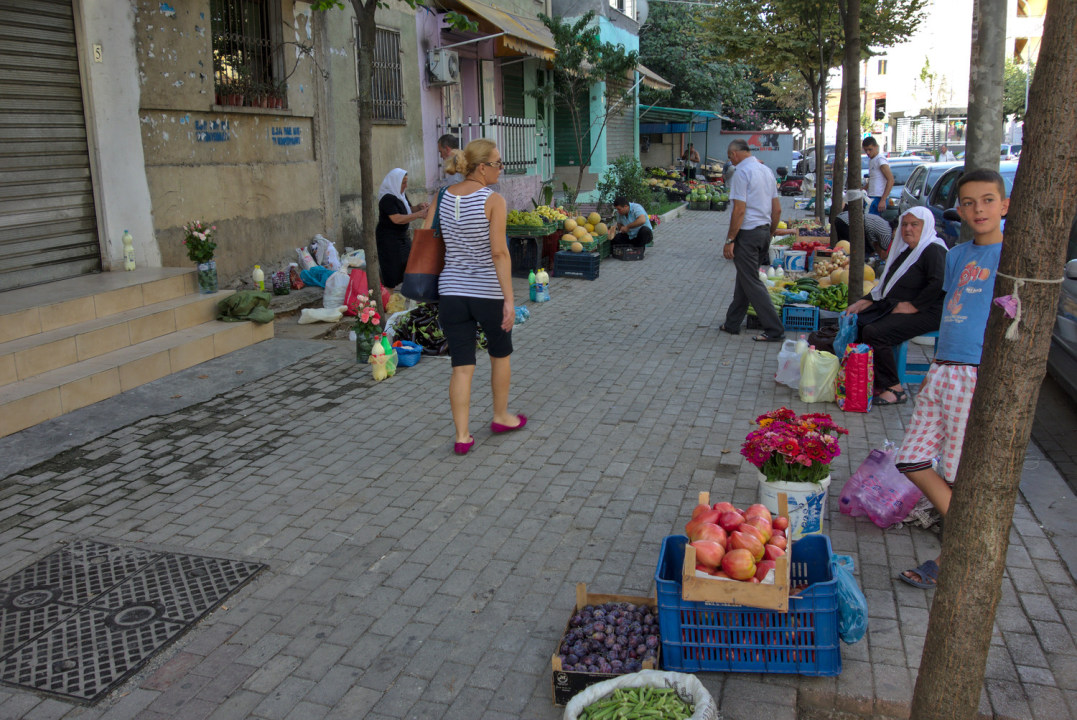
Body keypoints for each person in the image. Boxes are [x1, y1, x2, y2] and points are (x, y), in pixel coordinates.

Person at [895, 169, 1009, 588]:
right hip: (944, 370)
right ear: (959, 209)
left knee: (959, 471)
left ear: (1004, 205)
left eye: (987, 200)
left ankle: (951, 558)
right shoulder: (958, 254)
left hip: (975, 373)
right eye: (968, 202)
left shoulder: (1009, 256)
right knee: (911, 458)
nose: (978, 209)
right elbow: (950, 315)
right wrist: (934, 368)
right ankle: (968, 541)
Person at [420, 139, 524, 456]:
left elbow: (426, 233)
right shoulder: (493, 200)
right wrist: (509, 299)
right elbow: (499, 252)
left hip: (451, 292)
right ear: (482, 167)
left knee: (461, 367)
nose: (500, 169)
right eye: (497, 163)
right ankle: (501, 416)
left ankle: (462, 436)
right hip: (487, 293)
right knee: (499, 354)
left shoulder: (444, 196)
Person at [843, 206, 946, 405]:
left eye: (915, 224)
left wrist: (914, 306)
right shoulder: (908, 250)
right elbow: (887, 283)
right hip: (902, 306)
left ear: (926, 226)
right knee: (860, 321)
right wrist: (867, 300)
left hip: (929, 311)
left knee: (876, 331)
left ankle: (895, 388)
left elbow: (938, 283)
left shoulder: (933, 250)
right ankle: (872, 377)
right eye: (904, 224)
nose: (908, 229)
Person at [719, 139, 784, 341]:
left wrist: (730, 239)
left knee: (752, 282)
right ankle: (732, 323)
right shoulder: (766, 171)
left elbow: (739, 210)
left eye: (730, 157)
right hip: (764, 232)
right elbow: (777, 209)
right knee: (744, 279)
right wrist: (771, 232)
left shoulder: (741, 173)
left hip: (747, 234)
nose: (731, 161)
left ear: (735, 153)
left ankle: (775, 330)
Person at [375, 168, 428, 289]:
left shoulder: (401, 196)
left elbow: (408, 210)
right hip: (389, 240)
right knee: (393, 270)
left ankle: (404, 295)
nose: (406, 185)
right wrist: (418, 215)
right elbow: (396, 218)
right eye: (403, 182)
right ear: (395, 182)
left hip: (402, 237)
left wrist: (419, 207)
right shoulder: (387, 198)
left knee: (408, 265)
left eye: (406, 182)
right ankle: (392, 298)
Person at [862, 136, 894, 217]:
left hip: (878, 197)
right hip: (871, 196)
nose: (868, 152)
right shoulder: (872, 160)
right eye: (866, 150)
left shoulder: (880, 160)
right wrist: (864, 189)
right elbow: (873, 178)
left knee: (871, 223)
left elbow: (890, 180)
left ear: (876, 147)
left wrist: (883, 200)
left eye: (870, 149)